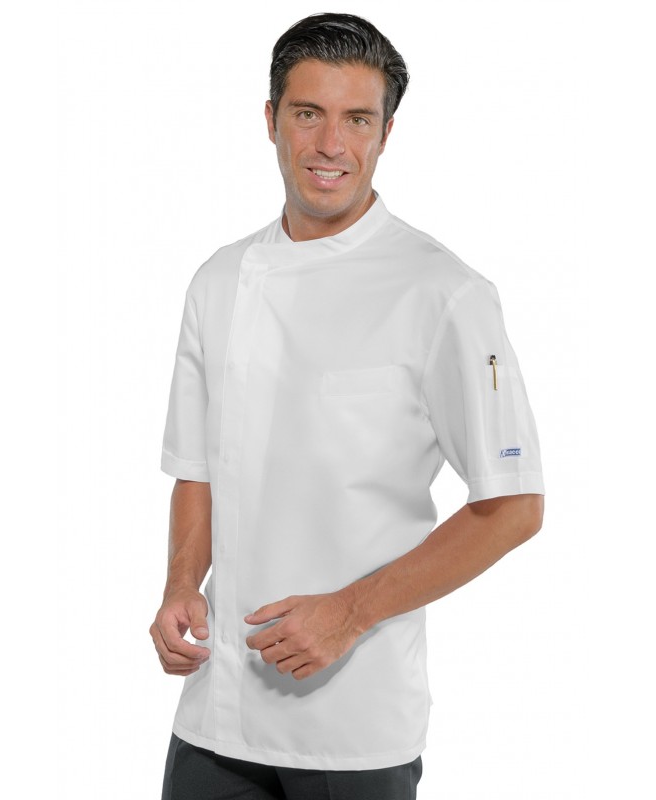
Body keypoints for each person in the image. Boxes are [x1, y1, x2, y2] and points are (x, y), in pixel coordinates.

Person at [150, 12, 545, 800]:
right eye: (309, 113)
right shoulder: (218, 281)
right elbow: (198, 468)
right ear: (271, 120)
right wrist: (180, 583)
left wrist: (350, 612)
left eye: (357, 119)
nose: (331, 144)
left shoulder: (444, 293)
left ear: (386, 133)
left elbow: (514, 506)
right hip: (213, 716)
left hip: (354, 729)